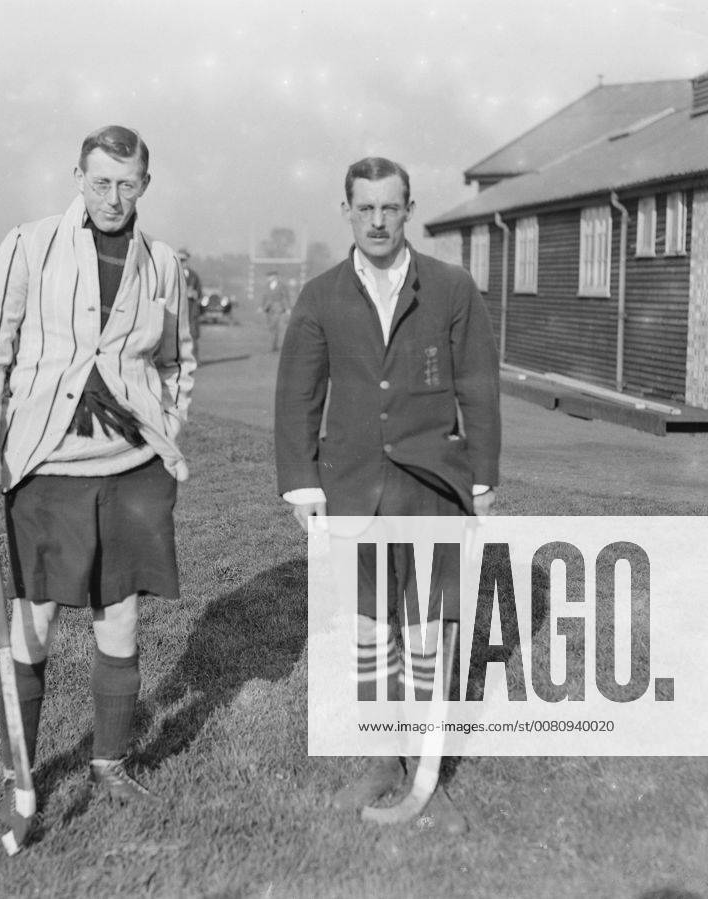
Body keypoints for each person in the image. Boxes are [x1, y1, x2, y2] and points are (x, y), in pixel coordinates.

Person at [0, 125, 196, 809]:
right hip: (45, 467)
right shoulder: (30, 245)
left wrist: (167, 428)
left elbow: (179, 362)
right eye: (100, 182)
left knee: (119, 619)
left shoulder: (163, 262)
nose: (113, 197)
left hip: (130, 470)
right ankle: (18, 766)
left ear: (144, 183)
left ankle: (109, 762)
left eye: (127, 183)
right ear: (78, 178)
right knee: (32, 621)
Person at [274, 156, 500, 827]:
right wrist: (302, 485)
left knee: (428, 630)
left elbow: (479, 389)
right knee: (373, 628)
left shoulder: (452, 288)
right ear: (347, 210)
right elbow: (297, 398)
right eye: (364, 207)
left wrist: (482, 479)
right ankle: (381, 760)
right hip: (354, 490)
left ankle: (428, 773)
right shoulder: (321, 295)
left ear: (408, 209)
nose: (377, 220)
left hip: (433, 485)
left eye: (389, 207)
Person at [178, 248, 202, 359]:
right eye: (180, 260)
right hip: (178, 310)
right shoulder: (173, 273)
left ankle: (194, 359)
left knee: (193, 335)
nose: (183, 262)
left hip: (191, 310)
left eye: (184, 260)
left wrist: (194, 294)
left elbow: (200, 294)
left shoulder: (194, 276)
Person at [260, 270, 291, 351]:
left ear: (275, 277)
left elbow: (286, 297)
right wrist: (261, 306)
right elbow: (264, 296)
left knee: (275, 326)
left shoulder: (282, 286)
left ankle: (273, 346)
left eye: (270, 276)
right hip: (268, 308)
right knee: (270, 326)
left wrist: (288, 308)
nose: (268, 278)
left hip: (278, 307)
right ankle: (273, 344)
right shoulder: (267, 286)